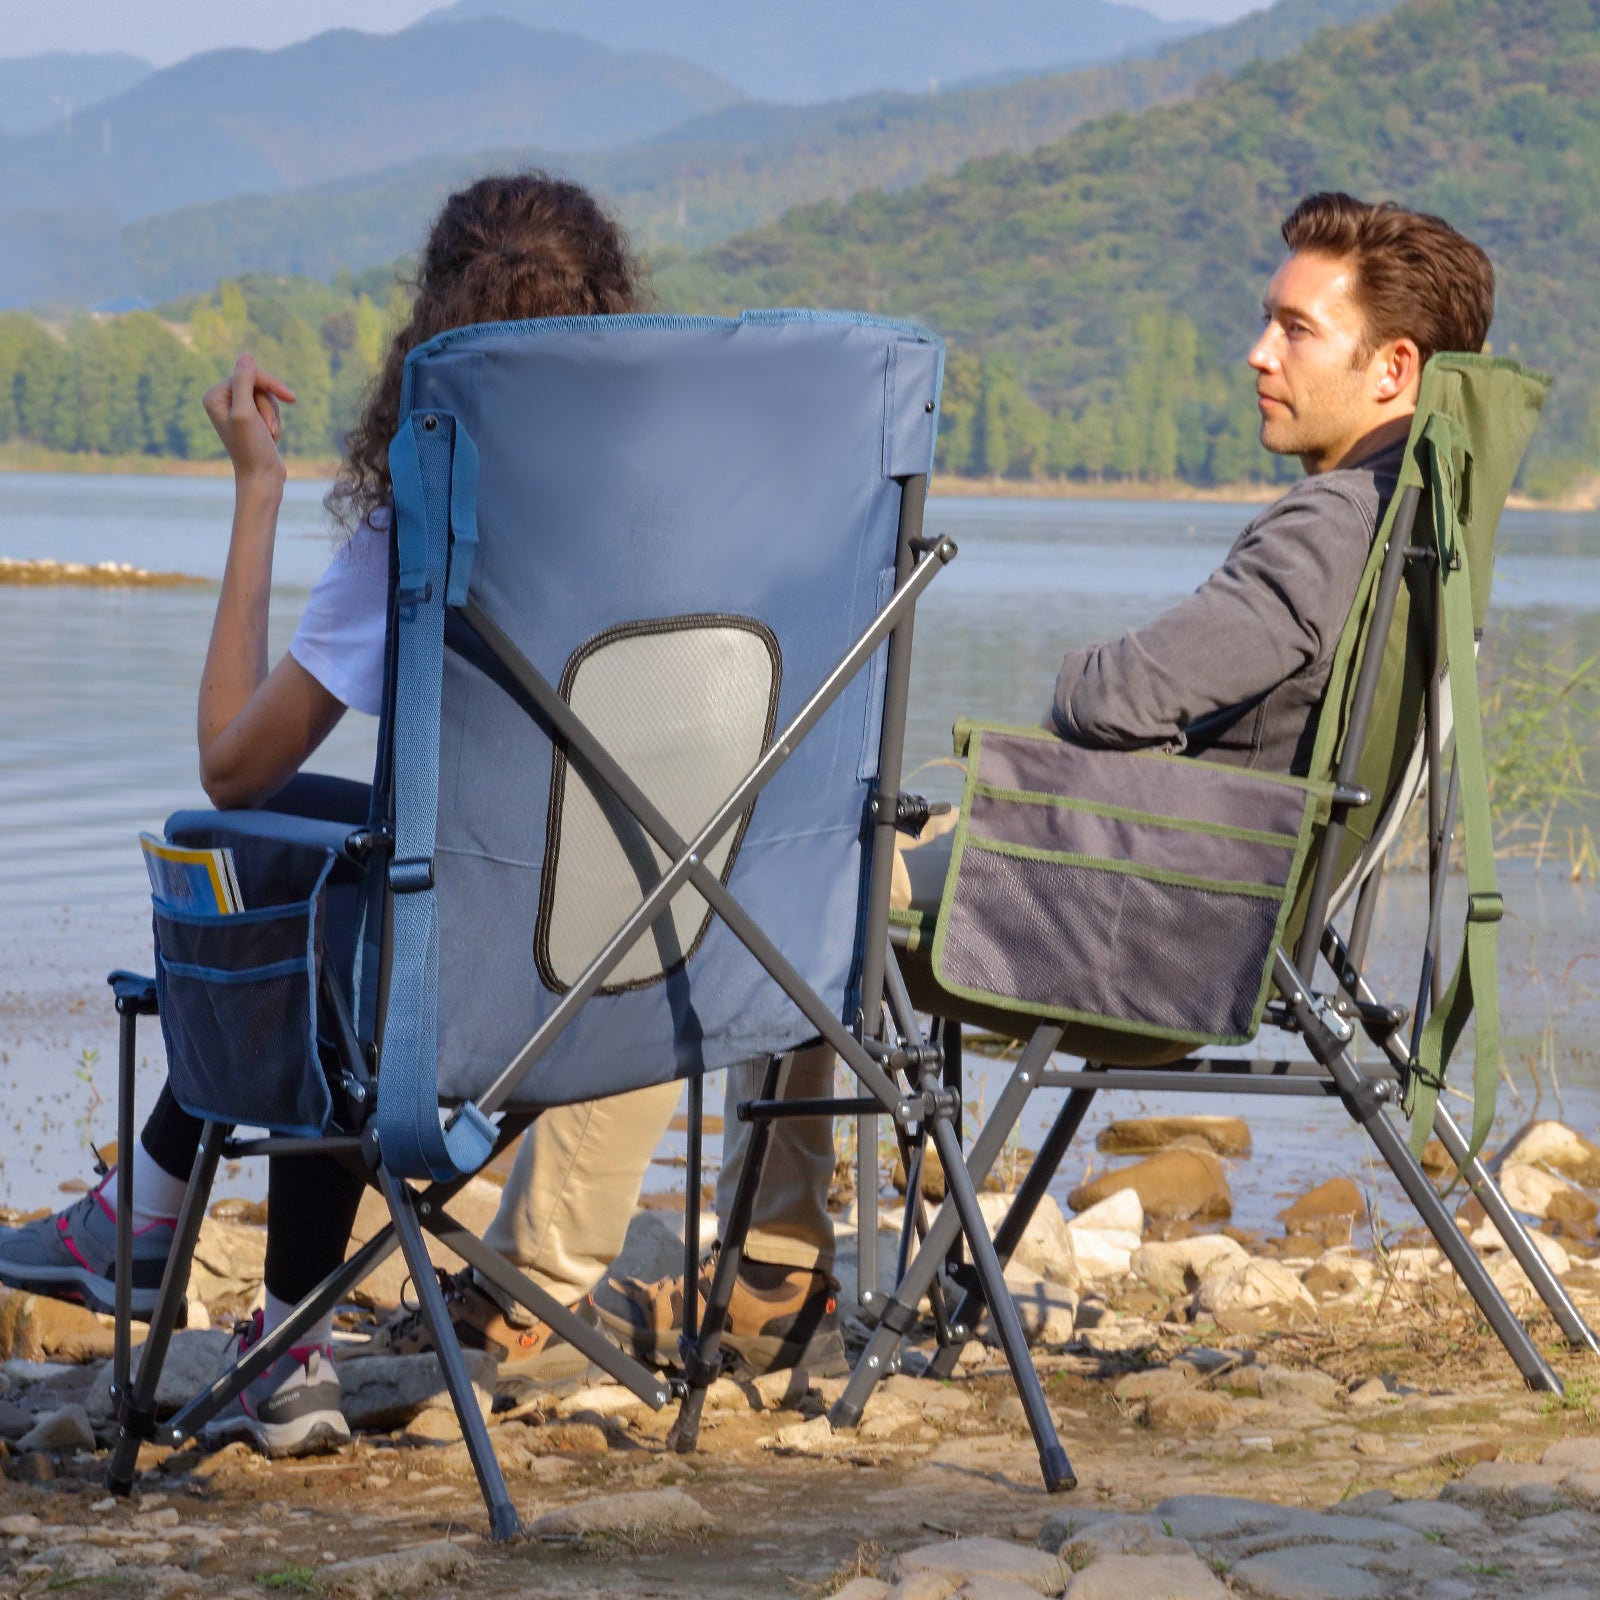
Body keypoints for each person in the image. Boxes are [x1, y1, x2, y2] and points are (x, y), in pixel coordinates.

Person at [582, 190, 1499, 1357]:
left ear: (1393, 368)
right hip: (1220, 901)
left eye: (1294, 329)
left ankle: (762, 1274)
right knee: (839, 861)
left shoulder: (1323, 531)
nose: (1257, 353)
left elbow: (1111, 696)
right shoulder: (1411, 522)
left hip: (1164, 928)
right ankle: (782, 1261)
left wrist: (1073, 683)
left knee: (777, 885)